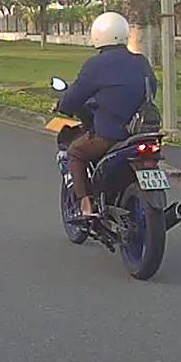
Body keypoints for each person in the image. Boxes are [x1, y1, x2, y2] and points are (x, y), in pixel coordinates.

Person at [56, 12, 156, 219]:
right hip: (143, 133)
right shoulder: (141, 61)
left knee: (75, 153)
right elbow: (152, 88)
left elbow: (75, 95)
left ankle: (86, 205)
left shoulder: (96, 65)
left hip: (111, 136)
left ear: (97, 35)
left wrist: (62, 106)